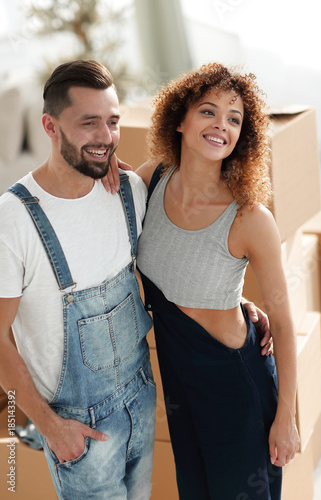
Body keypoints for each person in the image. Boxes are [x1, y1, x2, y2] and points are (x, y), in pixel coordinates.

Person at [133, 63, 300, 499]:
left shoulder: (250, 218)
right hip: (178, 378)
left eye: (234, 118)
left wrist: (287, 416)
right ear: (181, 119)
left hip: (233, 382)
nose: (220, 126)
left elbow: (282, 323)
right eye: (209, 111)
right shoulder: (151, 181)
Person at [0, 60, 156, 500]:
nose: (105, 137)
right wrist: (48, 427)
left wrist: (238, 302)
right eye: (89, 124)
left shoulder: (128, 191)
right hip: (77, 429)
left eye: (112, 122)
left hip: (141, 399)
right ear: (50, 126)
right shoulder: (14, 220)